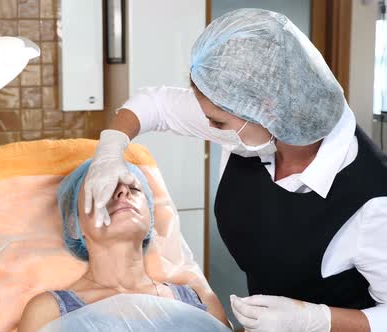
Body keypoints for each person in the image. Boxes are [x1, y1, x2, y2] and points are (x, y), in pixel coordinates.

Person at [83, 8, 387, 332]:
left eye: (218, 122)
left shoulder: (373, 204)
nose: (211, 129)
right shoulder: (256, 126)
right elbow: (153, 105)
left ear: (266, 107)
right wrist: (109, 151)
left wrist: (315, 320)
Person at [18, 160, 231, 331]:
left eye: (134, 188)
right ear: (75, 224)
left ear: (149, 218)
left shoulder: (199, 300)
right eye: (104, 189)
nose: (123, 192)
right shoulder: (49, 312)